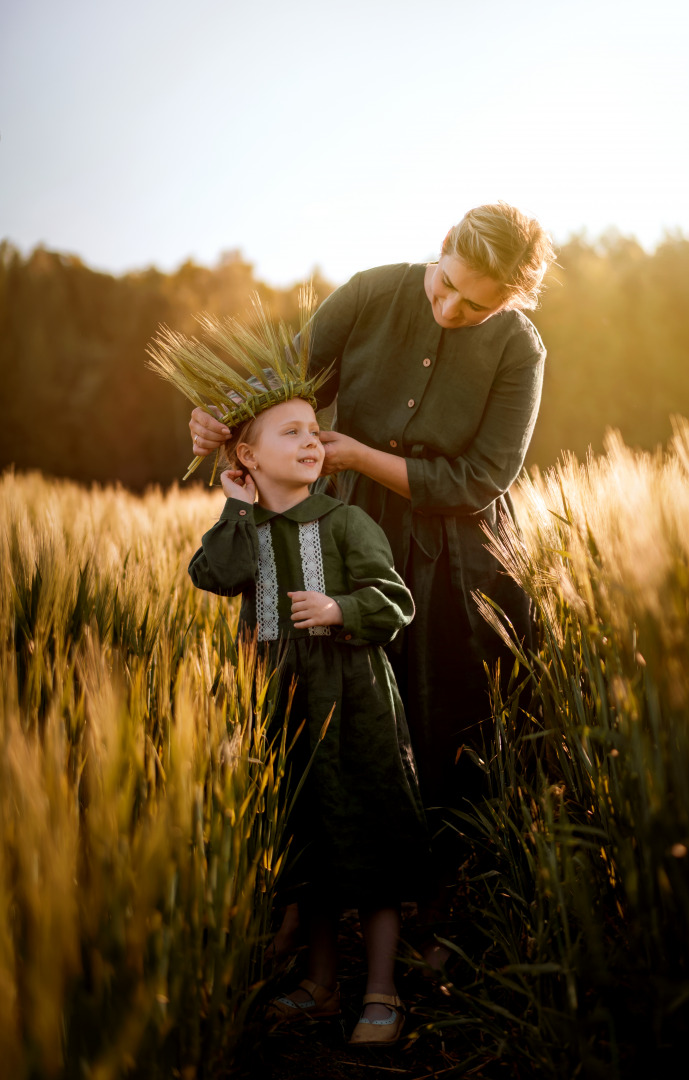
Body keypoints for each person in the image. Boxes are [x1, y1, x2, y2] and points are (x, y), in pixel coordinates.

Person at [189, 202, 555, 957]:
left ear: (512, 301)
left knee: (443, 718)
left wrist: (359, 456)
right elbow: (280, 383)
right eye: (447, 284)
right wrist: (215, 416)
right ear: (444, 245)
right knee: (313, 701)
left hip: (453, 547)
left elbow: (479, 477)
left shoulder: (519, 347)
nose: (451, 309)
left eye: (477, 305)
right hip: (344, 530)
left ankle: (434, 907)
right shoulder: (369, 290)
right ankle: (304, 895)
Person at [149, 305, 428, 1046]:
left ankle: (380, 990)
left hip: (355, 705)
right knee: (307, 849)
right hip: (280, 707)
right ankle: (319, 983)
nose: (312, 440)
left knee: (367, 842)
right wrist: (235, 507)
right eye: (291, 432)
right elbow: (213, 574)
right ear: (246, 453)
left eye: (315, 429)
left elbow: (394, 601)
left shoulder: (344, 523)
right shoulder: (243, 529)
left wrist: (341, 607)